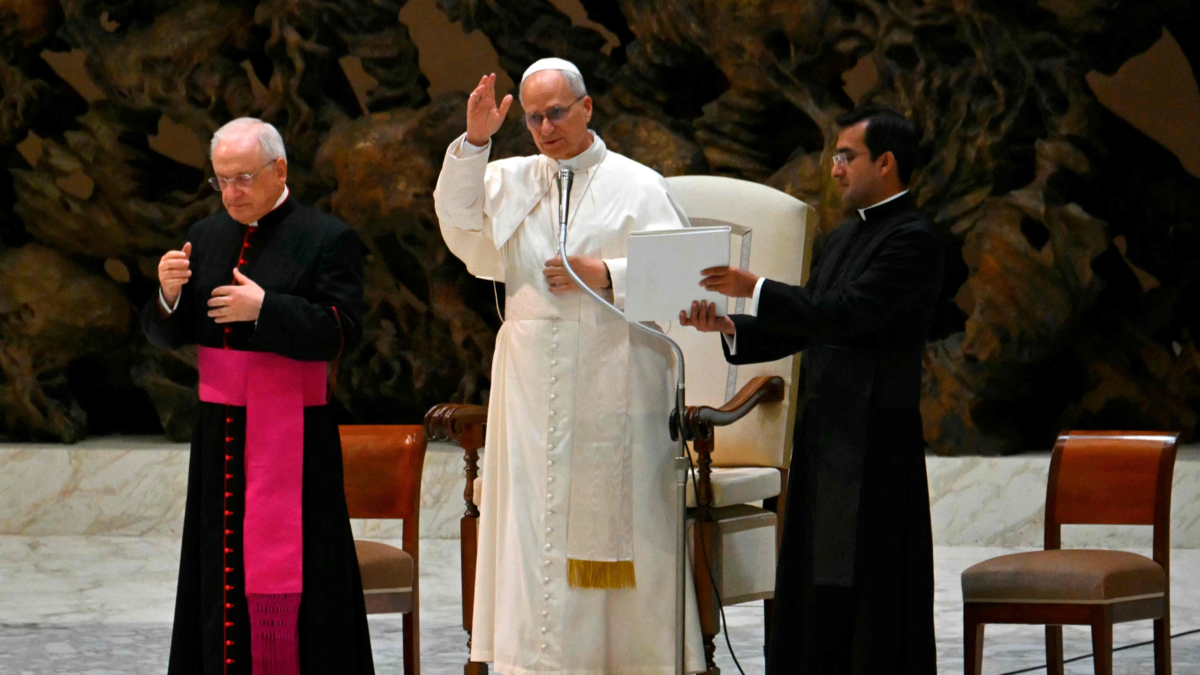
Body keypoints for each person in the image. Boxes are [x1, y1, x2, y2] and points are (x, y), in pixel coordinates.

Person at [434, 59, 704, 674]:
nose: (545, 127)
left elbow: (692, 279)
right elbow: (456, 219)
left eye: (557, 112)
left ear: (587, 107)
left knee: (617, 520)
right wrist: (475, 141)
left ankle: (626, 661)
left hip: (618, 370)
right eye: (532, 117)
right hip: (528, 377)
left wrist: (606, 274)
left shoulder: (639, 185)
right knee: (530, 521)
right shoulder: (508, 178)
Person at [681, 103, 941, 674]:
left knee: (871, 582)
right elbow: (810, 321)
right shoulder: (845, 235)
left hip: (876, 437)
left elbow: (846, 314)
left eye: (847, 156)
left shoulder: (914, 239)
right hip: (825, 432)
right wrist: (733, 328)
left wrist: (757, 289)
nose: (835, 169)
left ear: (888, 162)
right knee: (811, 577)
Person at [142, 118, 373, 675]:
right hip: (218, 431)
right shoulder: (207, 233)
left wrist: (266, 310)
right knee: (214, 566)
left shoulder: (327, 237)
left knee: (308, 571)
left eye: (243, 177)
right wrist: (168, 295)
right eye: (221, 180)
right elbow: (166, 334)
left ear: (281, 170)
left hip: (295, 439)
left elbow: (345, 332)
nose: (232, 193)